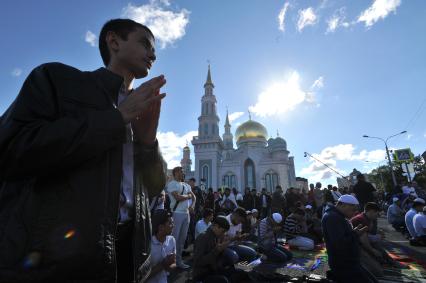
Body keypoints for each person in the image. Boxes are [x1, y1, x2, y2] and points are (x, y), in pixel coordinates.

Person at [0, 19, 167, 282]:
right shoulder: (59, 82)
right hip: (60, 263)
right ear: (114, 42)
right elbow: (12, 149)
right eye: (145, 43)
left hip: (127, 259)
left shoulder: (139, 110)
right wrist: (115, 119)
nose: (153, 54)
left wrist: (148, 144)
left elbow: (155, 188)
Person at [322, 195, 376, 283]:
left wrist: (354, 233)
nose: (354, 213)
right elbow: (339, 244)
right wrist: (355, 234)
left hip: (348, 262)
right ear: (343, 205)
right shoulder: (333, 218)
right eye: (353, 210)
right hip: (344, 264)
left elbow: (343, 237)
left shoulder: (337, 216)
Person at [166, 167, 196, 269]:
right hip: (176, 213)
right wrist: (188, 197)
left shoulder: (187, 185)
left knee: (182, 239)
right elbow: (177, 197)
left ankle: (178, 261)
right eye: (179, 172)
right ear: (175, 173)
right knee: (174, 239)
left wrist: (192, 206)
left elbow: (194, 197)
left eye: (182, 172)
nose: (182, 173)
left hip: (186, 214)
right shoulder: (172, 184)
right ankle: (169, 263)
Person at [193, 216, 235, 283]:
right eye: (223, 231)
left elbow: (217, 258)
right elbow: (198, 262)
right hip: (202, 274)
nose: (223, 234)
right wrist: (217, 250)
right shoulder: (203, 237)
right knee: (223, 280)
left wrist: (222, 249)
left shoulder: (216, 236)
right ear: (216, 226)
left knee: (235, 270)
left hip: (213, 269)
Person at [147, 210, 176, 283]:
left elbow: (174, 264)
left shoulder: (172, 240)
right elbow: (142, 277)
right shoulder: (148, 245)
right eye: (170, 223)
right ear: (161, 227)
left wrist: (169, 265)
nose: (173, 225)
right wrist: (163, 265)